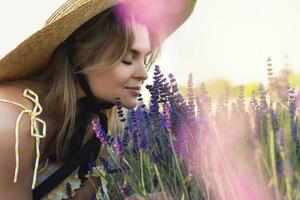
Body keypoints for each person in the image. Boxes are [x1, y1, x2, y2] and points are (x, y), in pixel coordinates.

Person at [0, 0, 196, 199]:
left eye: (145, 59)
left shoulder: (92, 123)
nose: (143, 73)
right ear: (82, 57)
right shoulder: (11, 120)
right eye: (128, 59)